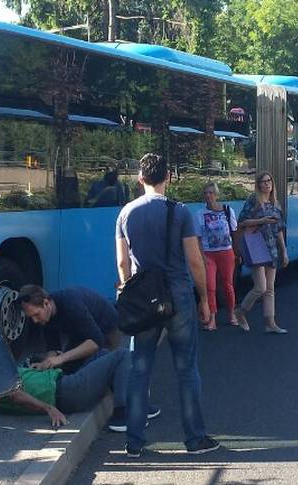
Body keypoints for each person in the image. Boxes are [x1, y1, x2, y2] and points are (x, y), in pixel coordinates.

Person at [115, 153, 219, 458]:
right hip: (178, 296)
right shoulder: (181, 212)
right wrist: (204, 299)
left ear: (139, 178)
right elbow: (195, 262)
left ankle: (134, 442)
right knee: (187, 369)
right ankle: (195, 439)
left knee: (139, 369)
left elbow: (122, 263)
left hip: (144, 302)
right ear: (168, 177)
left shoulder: (125, 214)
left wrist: (128, 290)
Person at [0, 348, 160, 432]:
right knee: (122, 355)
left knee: (101, 354)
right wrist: (49, 408)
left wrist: (38, 367)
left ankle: (140, 405)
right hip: (67, 391)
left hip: (64, 385)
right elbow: (15, 395)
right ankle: (123, 415)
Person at [233, 171, 289, 334]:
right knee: (260, 287)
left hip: (271, 248)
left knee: (270, 289)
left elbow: (278, 229)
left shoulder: (275, 204)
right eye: (264, 182)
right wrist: (261, 221)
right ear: (258, 185)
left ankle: (270, 323)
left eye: (269, 181)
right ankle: (240, 311)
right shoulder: (253, 201)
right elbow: (242, 222)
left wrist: (284, 251)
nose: (267, 184)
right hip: (257, 246)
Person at [18, 285, 121, 372]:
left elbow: (96, 342)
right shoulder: (46, 317)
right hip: (81, 331)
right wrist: (44, 364)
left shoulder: (71, 305)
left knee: (101, 372)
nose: (35, 321)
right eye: (31, 317)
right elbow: (53, 349)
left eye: (36, 314)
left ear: (46, 303)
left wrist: (60, 359)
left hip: (108, 328)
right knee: (68, 368)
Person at [194, 182, 239, 330]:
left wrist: (237, 252)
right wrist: (202, 256)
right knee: (210, 286)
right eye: (206, 193)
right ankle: (212, 318)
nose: (208, 195)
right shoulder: (200, 215)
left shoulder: (227, 210)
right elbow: (198, 239)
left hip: (226, 252)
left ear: (216, 194)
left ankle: (232, 313)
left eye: (211, 192)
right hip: (209, 254)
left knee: (227, 285)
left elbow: (234, 232)